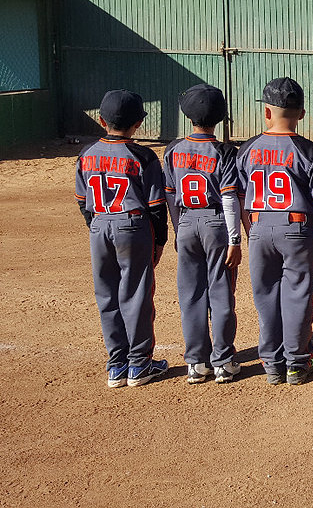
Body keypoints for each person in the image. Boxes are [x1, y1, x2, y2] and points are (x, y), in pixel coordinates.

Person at [236, 77, 313, 385]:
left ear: (266, 112)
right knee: (298, 294)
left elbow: (240, 197)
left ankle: (271, 362)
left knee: (265, 294)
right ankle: (296, 361)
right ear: (302, 114)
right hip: (297, 227)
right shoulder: (309, 151)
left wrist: (250, 229)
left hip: (260, 225)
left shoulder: (247, 149)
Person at [75, 90, 170, 388]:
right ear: (139, 124)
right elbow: (156, 205)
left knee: (107, 295)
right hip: (133, 226)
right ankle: (139, 363)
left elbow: (82, 200)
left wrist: (96, 226)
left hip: (99, 225)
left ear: (101, 120)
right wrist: (159, 242)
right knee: (137, 294)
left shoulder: (87, 154)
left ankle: (116, 364)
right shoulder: (143, 156)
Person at [163, 84, 242, 384]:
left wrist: (176, 228)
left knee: (191, 295)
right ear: (220, 117)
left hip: (185, 223)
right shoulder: (223, 151)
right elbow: (229, 198)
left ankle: (196, 363)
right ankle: (223, 360)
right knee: (221, 293)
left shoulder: (173, 149)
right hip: (216, 224)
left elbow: (170, 196)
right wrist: (235, 239)